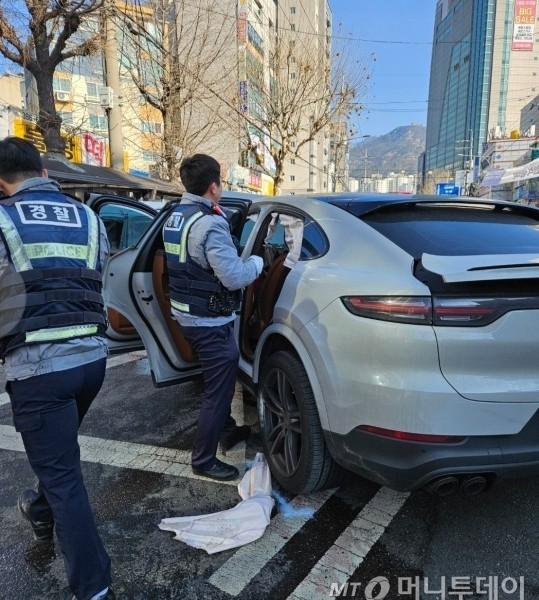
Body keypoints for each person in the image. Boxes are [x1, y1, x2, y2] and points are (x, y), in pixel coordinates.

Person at [0, 137, 114, 600]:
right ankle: (40, 511)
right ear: (43, 172)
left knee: (64, 477)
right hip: (92, 360)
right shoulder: (89, 216)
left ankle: (94, 588)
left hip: (37, 369)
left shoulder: (4, 219)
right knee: (60, 461)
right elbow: (98, 274)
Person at [163, 154, 263, 481]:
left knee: (214, 378)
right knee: (219, 390)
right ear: (214, 186)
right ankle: (203, 459)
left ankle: (228, 430)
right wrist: (259, 264)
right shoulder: (210, 223)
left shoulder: (176, 216)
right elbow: (234, 277)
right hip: (208, 322)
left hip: (185, 315)